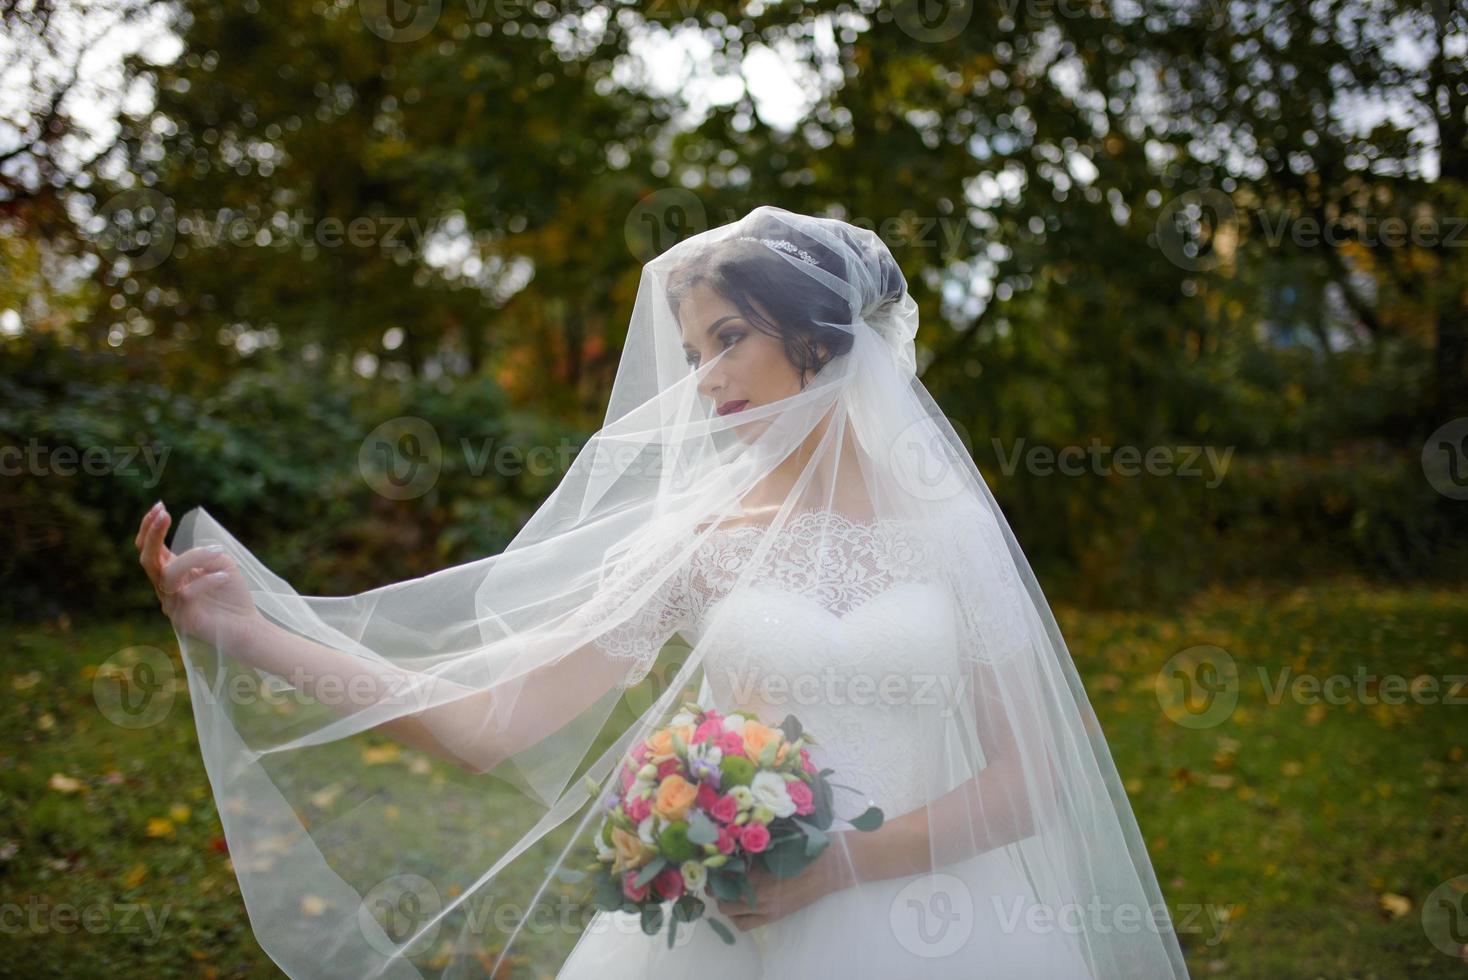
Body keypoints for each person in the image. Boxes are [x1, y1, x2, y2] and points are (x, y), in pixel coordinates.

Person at [135, 205, 1191, 978]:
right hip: (720, 935)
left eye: (728, 337)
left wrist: (842, 869)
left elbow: (1030, 777)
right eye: (692, 352)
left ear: (823, 338)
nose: (705, 379)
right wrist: (250, 628)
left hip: (938, 929)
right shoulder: (697, 540)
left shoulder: (950, 531)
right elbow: (490, 725)